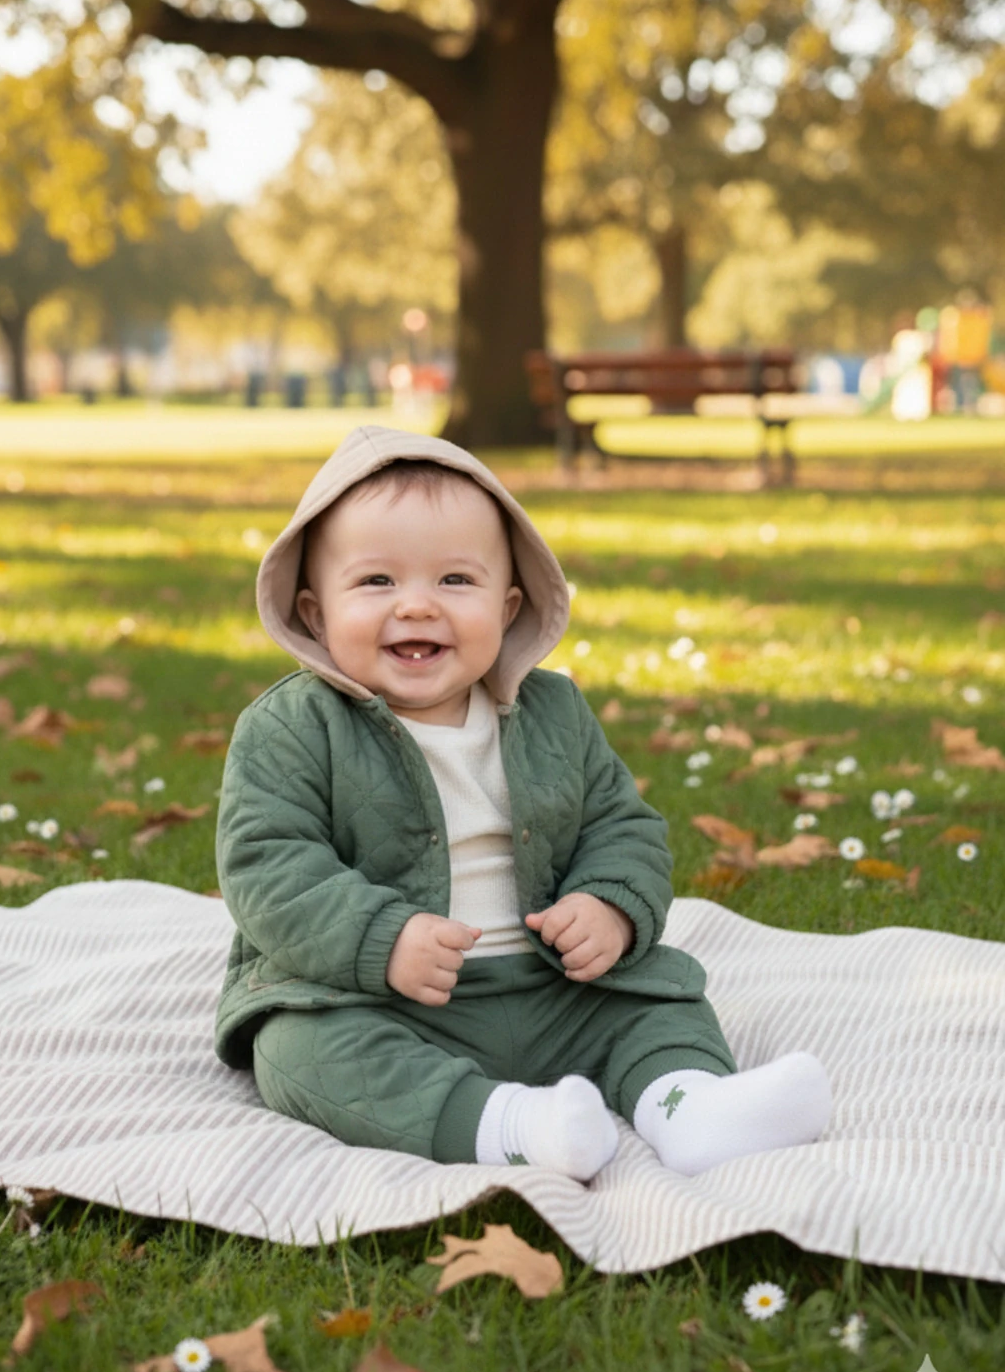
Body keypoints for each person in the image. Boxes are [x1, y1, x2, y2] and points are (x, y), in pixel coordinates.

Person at [214, 426, 831, 1180]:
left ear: (509, 607)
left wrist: (609, 905)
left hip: (557, 988)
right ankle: (512, 1126)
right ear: (314, 613)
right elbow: (268, 868)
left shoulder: (553, 713)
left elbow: (620, 824)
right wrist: (383, 940)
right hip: (383, 1000)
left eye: (455, 582)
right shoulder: (291, 729)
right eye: (377, 582)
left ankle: (689, 1106)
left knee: (663, 1000)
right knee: (299, 1054)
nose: (416, 607)